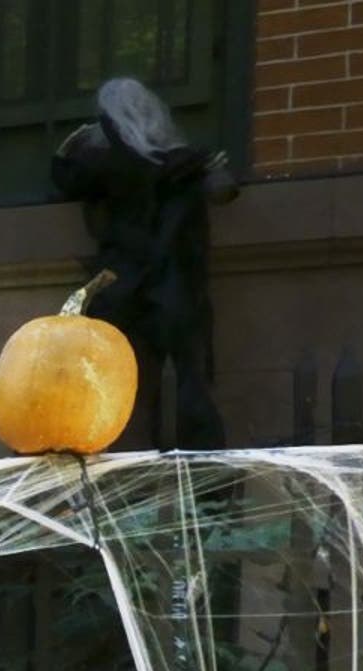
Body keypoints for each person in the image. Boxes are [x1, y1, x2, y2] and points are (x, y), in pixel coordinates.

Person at [52, 77, 239, 450]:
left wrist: (67, 146)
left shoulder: (109, 163)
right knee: (187, 376)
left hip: (125, 282)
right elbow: (223, 189)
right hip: (176, 283)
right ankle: (207, 481)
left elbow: (66, 178)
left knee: (111, 377)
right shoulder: (187, 164)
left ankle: (116, 462)